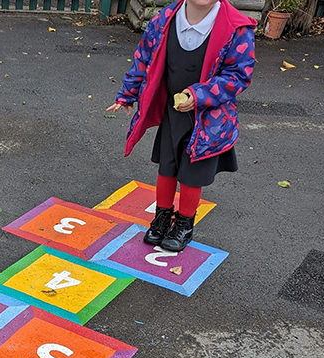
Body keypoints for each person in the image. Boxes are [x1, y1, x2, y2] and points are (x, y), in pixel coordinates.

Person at [105, 0, 256, 252]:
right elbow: (144, 58)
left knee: (191, 172)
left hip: (209, 120)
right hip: (172, 113)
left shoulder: (237, 28)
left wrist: (199, 95)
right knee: (167, 166)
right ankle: (162, 216)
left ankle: (184, 222)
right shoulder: (163, 20)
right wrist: (128, 93)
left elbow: (238, 75)